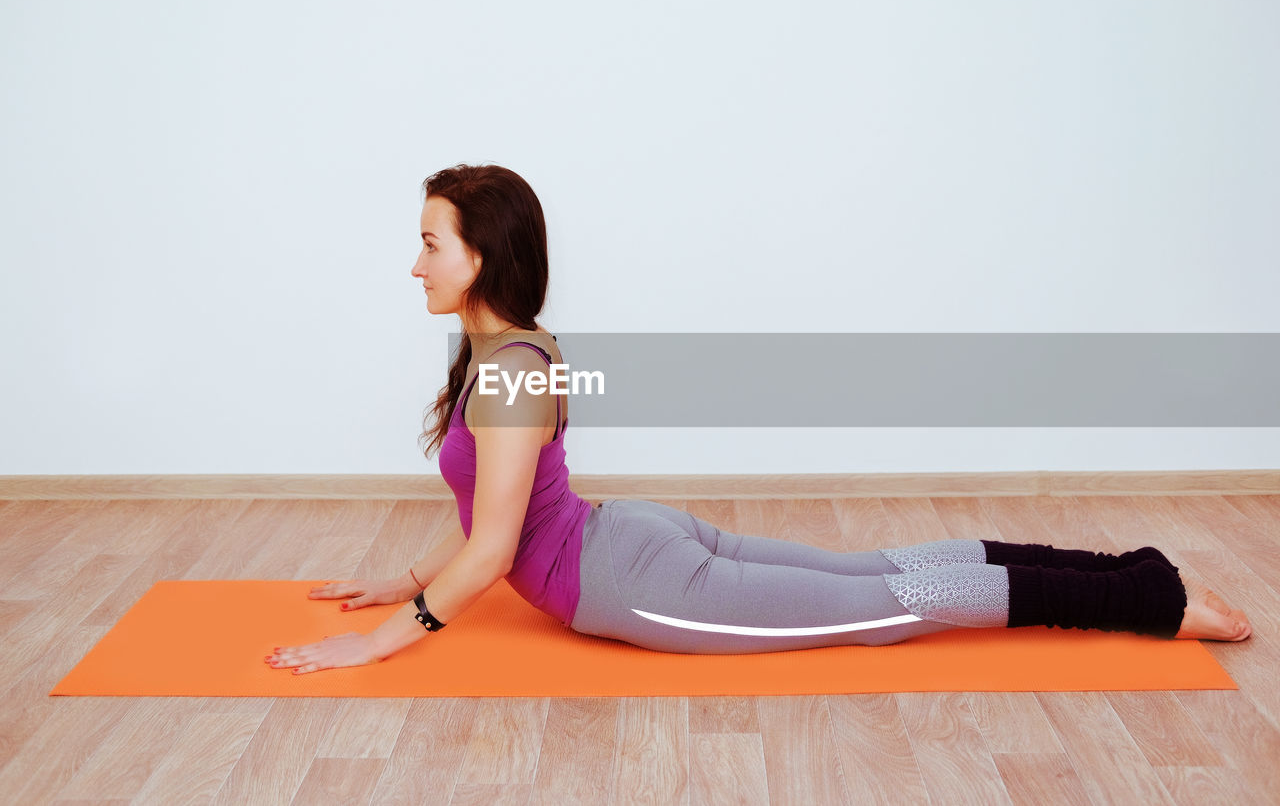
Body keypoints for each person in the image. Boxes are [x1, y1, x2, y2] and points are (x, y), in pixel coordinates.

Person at [265, 164, 1252, 675]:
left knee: (890, 604)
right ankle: (1138, 576)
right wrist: (393, 580)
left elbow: (490, 553)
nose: (414, 261)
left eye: (428, 241)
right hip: (631, 541)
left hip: (629, 578)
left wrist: (385, 637)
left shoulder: (507, 368)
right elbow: (497, 508)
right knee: (885, 575)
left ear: (476, 255)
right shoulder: (508, 351)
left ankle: (1146, 602)